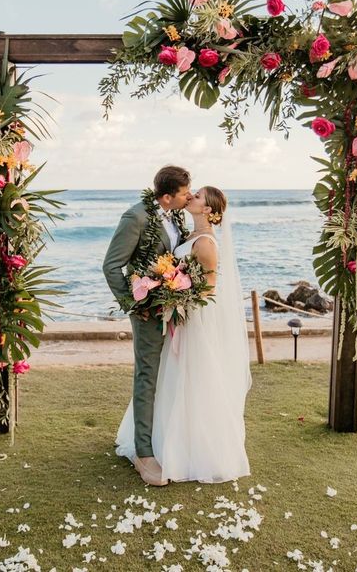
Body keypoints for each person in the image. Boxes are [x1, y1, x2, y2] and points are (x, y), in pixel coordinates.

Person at [116, 186, 252, 484]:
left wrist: (175, 295)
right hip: (179, 317)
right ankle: (160, 443)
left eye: (199, 196)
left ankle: (192, 449)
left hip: (192, 321)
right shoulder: (187, 233)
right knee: (171, 379)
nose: (191, 196)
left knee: (191, 381)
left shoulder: (205, 243)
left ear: (208, 210)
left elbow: (209, 288)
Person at [103, 165, 192, 486]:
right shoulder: (135, 217)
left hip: (172, 309)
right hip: (147, 311)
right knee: (147, 375)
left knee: (170, 374)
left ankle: (168, 440)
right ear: (167, 196)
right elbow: (111, 265)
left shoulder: (176, 215)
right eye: (184, 193)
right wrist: (133, 303)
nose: (189, 196)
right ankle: (143, 453)